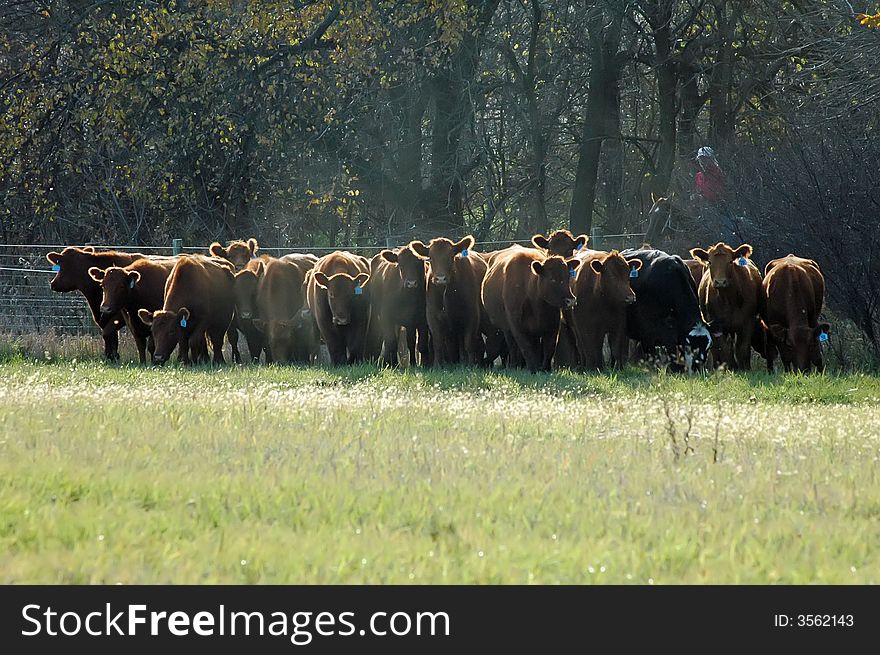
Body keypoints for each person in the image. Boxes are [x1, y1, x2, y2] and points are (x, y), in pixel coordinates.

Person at [691, 146, 739, 242]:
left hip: (719, 207)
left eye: (705, 159)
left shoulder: (719, 173)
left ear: (711, 159)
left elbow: (722, 191)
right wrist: (695, 197)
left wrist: (706, 198)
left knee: (727, 229)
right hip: (703, 210)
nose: (703, 162)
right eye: (701, 159)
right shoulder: (698, 176)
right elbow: (696, 191)